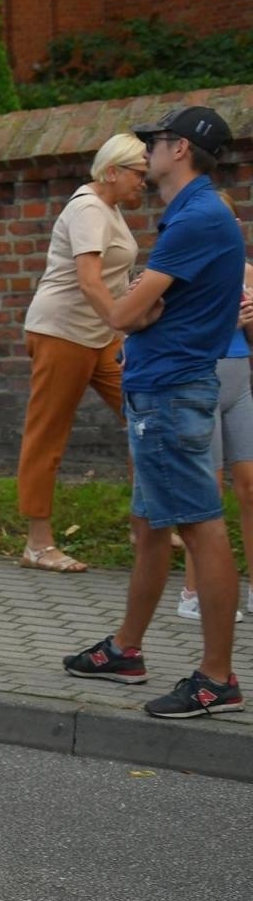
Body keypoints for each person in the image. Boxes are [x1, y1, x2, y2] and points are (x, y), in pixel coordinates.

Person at [62, 105, 246, 719]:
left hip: (171, 391)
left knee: (198, 527)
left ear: (181, 149)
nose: (147, 152)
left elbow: (119, 313)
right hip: (165, 388)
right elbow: (141, 307)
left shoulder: (196, 218)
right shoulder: (196, 214)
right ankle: (126, 649)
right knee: (149, 527)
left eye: (156, 141)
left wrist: (136, 308)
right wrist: (142, 307)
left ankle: (216, 678)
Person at [16, 134, 148, 572]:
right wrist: (123, 322)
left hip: (99, 335)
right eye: (139, 173)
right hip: (62, 332)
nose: (144, 182)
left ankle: (145, 525)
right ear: (112, 171)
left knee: (146, 415)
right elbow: (89, 280)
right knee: (47, 435)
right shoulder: (89, 208)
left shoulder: (109, 208)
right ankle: (37, 545)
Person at [178, 191, 253, 620]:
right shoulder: (185, 270)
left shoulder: (246, 272)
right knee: (208, 489)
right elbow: (178, 330)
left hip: (240, 381)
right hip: (202, 381)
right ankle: (194, 593)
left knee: (251, 485)